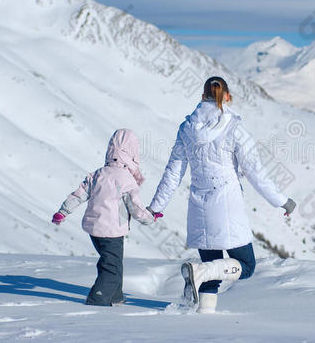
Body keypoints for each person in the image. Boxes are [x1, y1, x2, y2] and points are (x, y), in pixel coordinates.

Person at [148, 77, 296, 314]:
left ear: (202, 96)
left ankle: (206, 316)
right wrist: (281, 200)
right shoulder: (235, 128)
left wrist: (156, 206)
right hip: (227, 205)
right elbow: (255, 172)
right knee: (246, 266)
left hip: (198, 206)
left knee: (212, 269)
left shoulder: (186, 128)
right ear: (227, 96)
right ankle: (201, 274)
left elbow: (173, 172)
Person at [51, 129, 156, 306]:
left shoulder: (99, 173)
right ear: (132, 154)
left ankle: (116, 296)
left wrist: (63, 212)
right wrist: (150, 217)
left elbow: (79, 195)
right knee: (111, 267)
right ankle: (98, 299)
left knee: (111, 262)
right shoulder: (126, 179)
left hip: (95, 230)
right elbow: (135, 207)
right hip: (112, 230)